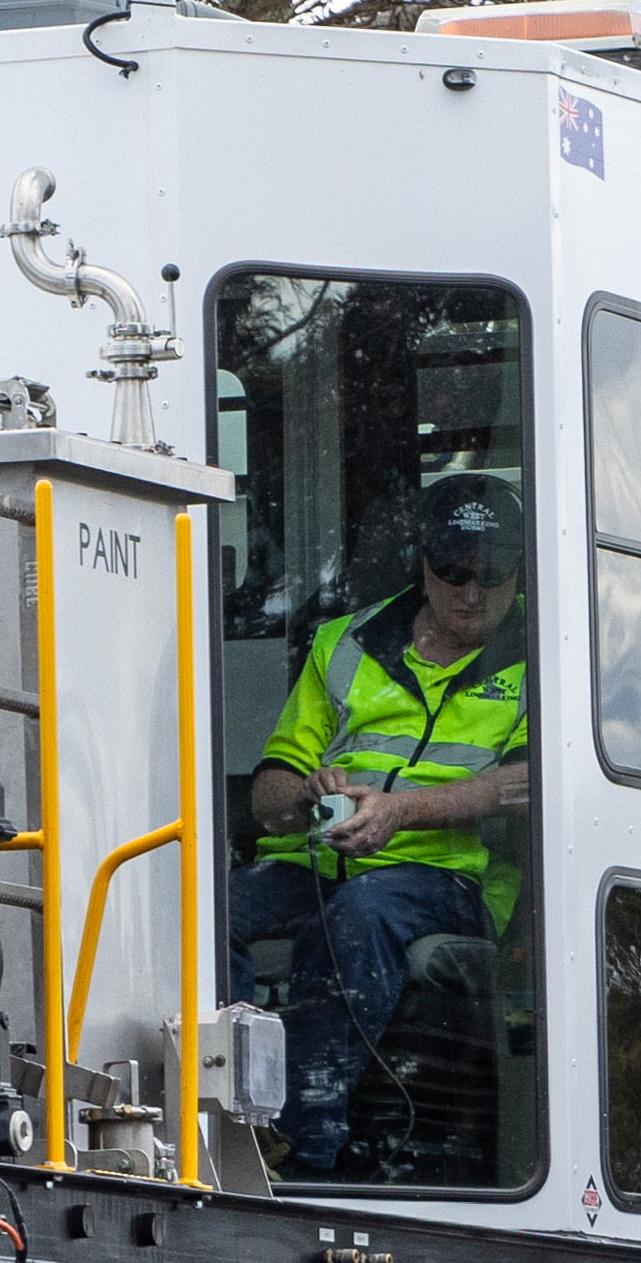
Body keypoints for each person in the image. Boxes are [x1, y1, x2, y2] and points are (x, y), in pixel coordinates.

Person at [228, 480, 533, 1177]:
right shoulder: (346, 642)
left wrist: (400, 812)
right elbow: (268, 793)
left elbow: (523, 786)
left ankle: (306, 1144)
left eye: (492, 575)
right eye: (453, 572)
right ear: (422, 563)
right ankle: (233, 1117)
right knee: (213, 912)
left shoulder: (547, 655)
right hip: (318, 858)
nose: (471, 593)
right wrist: (310, 794)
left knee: (360, 914)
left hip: (448, 877)